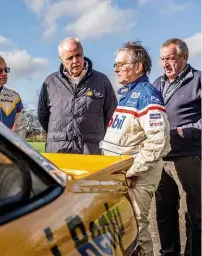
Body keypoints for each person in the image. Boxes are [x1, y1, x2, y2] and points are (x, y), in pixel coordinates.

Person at [99, 41, 171, 255]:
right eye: (115, 65)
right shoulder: (127, 94)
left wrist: (132, 170)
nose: (116, 68)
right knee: (123, 227)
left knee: (136, 227)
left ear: (138, 67)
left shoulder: (147, 94)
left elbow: (158, 141)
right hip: (122, 174)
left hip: (136, 176)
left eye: (121, 64)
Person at [153, 38, 201, 256]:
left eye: (170, 58)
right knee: (164, 211)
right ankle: (169, 253)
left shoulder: (198, 80)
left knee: (194, 213)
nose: (165, 64)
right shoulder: (157, 83)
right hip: (161, 158)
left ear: (184, 57)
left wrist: (185, 131)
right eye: (162, 59)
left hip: (188, 156)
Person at [37, 37, 117, 154]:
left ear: (83, 54)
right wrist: (59, 136)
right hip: (58, 151)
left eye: (78, 55)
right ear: (62, 60)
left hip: (91, 152)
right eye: (69, 58)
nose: (75, 61)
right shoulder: (50, 82)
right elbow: (43, 116)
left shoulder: (102, 81)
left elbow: (111, 115)